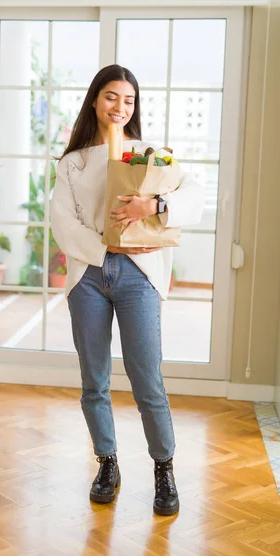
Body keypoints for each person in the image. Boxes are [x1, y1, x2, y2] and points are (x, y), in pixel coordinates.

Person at [50, 64, 204, 516]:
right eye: (112, 97)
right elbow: (63, 224)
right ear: (95, 101)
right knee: (93, 381)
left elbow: (194, 196)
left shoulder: (150, 156)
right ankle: (107, 463)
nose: (121, 106)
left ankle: (164, 468)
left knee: (147, 379)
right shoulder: (73, 162)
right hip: (89, 278)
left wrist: (153, 203)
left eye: (129, 100)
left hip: (139, 275)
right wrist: (105, 247)